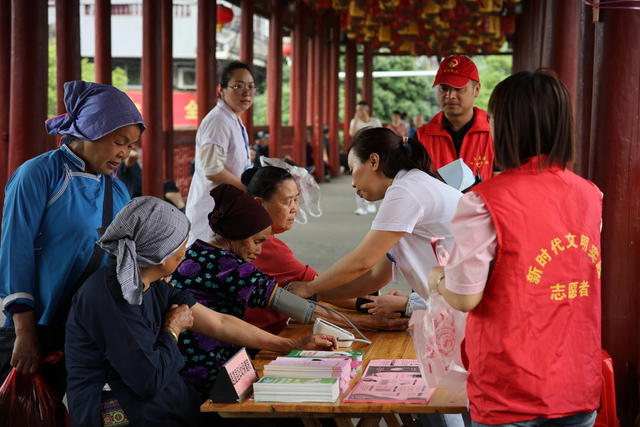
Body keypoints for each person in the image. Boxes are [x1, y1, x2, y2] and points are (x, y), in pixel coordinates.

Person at [65, 197, 335, 426]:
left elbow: (218, 322)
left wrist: (290, 344)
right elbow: (147, 379)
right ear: (158, 250)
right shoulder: (110, 296)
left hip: (161, 398)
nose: (185, 250)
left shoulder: (155, 284)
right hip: (117, 408)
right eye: (179, 243)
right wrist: (172, 330)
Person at [428, 70, 602, 426]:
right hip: (577, 382)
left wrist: (438, 278)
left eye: (493, 117)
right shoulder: (590, 194)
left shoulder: (483, 202)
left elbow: (465, 297)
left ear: (509, 126)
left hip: (509, 388)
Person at [0, 80, 144, 393]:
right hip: (40, 324)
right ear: (92, 128)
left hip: (92, 330)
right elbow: (15, 250)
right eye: (120, 141)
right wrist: (24, 332)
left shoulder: (117, 189)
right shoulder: (39, 174)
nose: (126, 152)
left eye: (131, 145)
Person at [171, 184, 336, 398]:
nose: (258, 251)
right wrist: (366, 323)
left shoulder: (198, 251)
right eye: (256, 242)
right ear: (235, 235)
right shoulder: (230, 267)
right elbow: (294, 305)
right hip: (210, 369)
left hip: (188, 363)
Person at [286, 127, 461, 307]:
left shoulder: (405, 191)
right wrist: (317, 295)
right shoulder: (413, 183)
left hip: (464, 304)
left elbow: (362, 262)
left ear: (374, 161)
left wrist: (310, 288)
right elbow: (375, 277)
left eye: (353, 169)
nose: (352, 183)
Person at [240, 166, 409, 335]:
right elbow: (318, 288)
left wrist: (377, 302)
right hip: (261, 339)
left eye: (296, 200)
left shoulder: (253, 237)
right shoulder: (265, 247)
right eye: (287, 201)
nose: (294, 209)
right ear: (258, 203)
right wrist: (374, 309)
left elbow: (316, 289)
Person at [185, 61, 256, 245]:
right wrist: (249, 190)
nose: (246, 92)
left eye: (250, 86)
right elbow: (213, 170)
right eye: (238, 86)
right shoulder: (219, 121)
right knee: (206, 264)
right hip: (211, 212)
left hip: (225, 210)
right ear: (221, 90)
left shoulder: (232, 118)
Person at [416, 55, 494, 181]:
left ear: (477, 90)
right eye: (444, 88)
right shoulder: (422, 137)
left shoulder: (493, 133)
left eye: (459, 89)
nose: (450, 95)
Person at [349, 101, 381, 215]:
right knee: (358, 179)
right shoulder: (354, 122)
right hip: (359, 153)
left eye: (361, 109)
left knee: (373, 178)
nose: (359, 112)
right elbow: (352, 133)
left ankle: (371, 203)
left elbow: (381, 135)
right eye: (357, 110)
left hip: (373, 153)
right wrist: (356, 120)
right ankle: (361, 206)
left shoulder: (375, 121)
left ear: (367, 110)